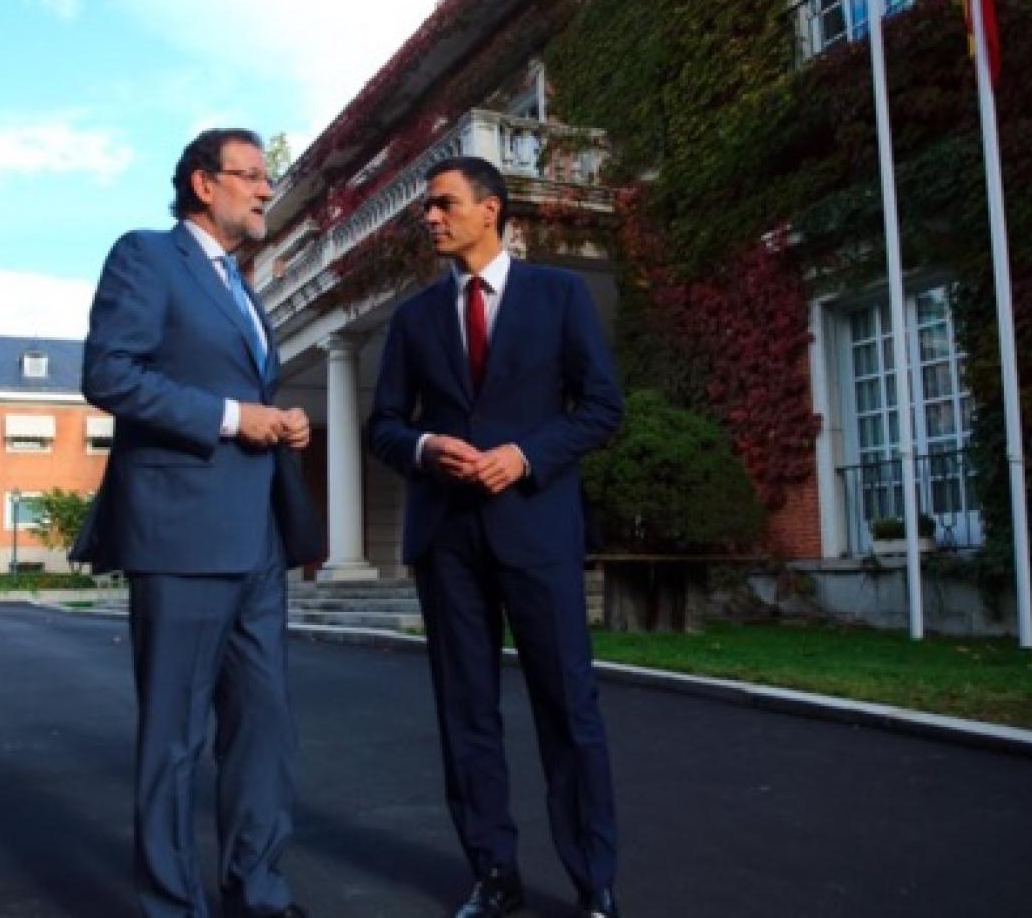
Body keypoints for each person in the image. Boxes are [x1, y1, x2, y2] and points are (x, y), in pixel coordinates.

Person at [366, 156, 624, 918]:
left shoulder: (560, 295)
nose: (430, 219)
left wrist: (526, 454)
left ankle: (594, 882)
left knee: (568, 709)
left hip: (537, 531)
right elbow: (381, 424)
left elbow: (602, 407)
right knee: (466, 713)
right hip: (447, 541)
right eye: (427, 209)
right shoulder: (413, 318)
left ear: (491, 210)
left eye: (443, 205)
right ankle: (492, 876)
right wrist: (423, 449)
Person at [73, 127, 317, 918]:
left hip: (258, 540)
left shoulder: (242, 289)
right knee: (174, 741)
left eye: (266, 179)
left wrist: (276, 419)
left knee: (263, 733)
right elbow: (109, 373)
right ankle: (172, 907)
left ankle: (260, 894)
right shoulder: (147, 256)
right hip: (179, 534)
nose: (265, 192)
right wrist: (229, 416)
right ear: (203, 184)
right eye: (251, 176)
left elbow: (234, 386)